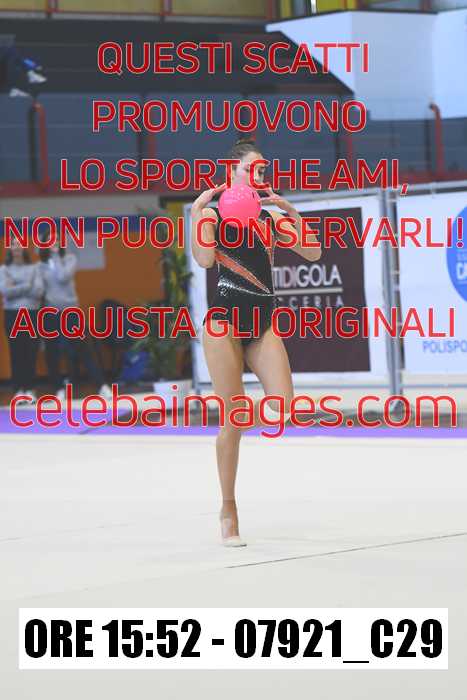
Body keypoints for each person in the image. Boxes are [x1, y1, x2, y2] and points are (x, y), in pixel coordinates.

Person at [190, 136, 322, 547]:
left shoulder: (268, 218)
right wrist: (195, 214)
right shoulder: (213, 214)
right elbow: (205, 259)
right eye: (253, 168)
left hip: (261, 324)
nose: (260, 174)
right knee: (233, 421)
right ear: (232, 170)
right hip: (224, 323)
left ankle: (239, 419)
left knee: (284, 408)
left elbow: (313, 253)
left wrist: (293, 214)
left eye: (263, 169)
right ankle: (228, 509)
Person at [37, 241, 112, 401]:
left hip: (70, 311)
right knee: (52, 353)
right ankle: (59, 389)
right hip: (50, 312)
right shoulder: (41, 266)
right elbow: (39, 289)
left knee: (83, 349)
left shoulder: (70, 259)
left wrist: (55, 256)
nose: (53, 243)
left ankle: (102, 386)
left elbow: (62, 276)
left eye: (56, 240)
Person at [0, 239, 43, 404]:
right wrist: (27, 285)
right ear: (10, 248)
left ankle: (30, 389)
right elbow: (5, 291)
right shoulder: (4, 269)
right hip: (12, 314)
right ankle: (19, 391)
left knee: (31, 352)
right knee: (16, 353)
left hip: (31, 314)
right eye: (14, 244)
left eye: (20, 244)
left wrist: (16, 286)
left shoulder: (34, 268)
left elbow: (38, 291)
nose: (17, 247)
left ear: (24, 248)